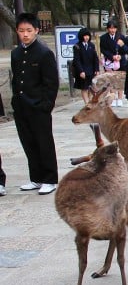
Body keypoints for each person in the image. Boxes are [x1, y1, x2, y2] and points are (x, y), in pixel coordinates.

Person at [11, 12, 60, 195]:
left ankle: (49, 179)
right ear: (17, 31)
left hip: (39, 106)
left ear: (36, 31)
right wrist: (16, 102)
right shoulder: (16, 53)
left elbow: (51, 83)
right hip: (22, 106)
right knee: (28, 142)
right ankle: (36, 178)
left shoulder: (44, 53)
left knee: (43, 142)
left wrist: (46, 105)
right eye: (21, 30)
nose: (25, 34)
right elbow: (17, 80)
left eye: (29, 30)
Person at [99, 20, 126, 107]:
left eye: (114, 28)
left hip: (120, 61)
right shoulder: (103, 38)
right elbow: (103, 49)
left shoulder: (121, 37)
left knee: (120, 79)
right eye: (110, 28)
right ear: (107, 29)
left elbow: (125, 48)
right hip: (109, 61)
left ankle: (120, 98)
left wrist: (120, 56)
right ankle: (113, 97)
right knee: (111, 79)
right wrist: (112, 56)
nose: (112, 30)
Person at [71, 27, 101, 104]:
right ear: (81, 36)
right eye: (85, 36)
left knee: (92, 87)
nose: (86, 37)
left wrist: (97, 70)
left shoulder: (91, 45)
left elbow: (95, 58)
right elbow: (77, 60)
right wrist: (81, 71)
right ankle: (87, 103)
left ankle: (90, 101)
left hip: (91, 70)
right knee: (84, 88)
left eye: (88, 35)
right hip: (82, 70)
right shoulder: (77, 46)